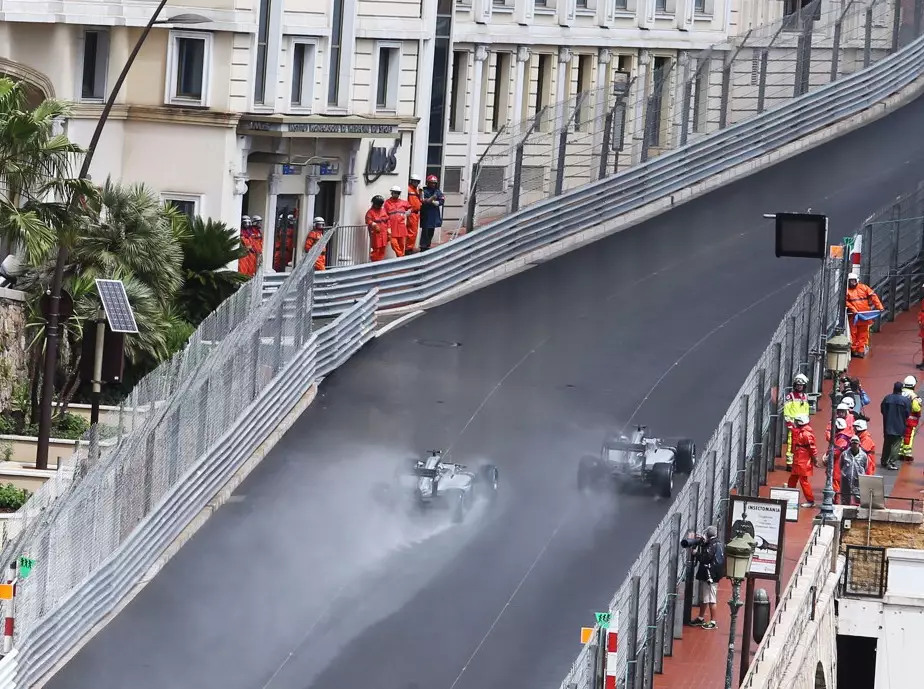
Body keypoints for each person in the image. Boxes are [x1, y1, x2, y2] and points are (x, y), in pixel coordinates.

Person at [690, 525, 724, 631]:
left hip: (710, 575)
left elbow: (705, 558)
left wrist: (696, 554)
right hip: (713, 574)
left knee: (711, 598)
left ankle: (713, 621)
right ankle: (700, 617)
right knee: (705, 597)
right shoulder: (718, 543)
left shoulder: (711, 545)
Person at [845, 273, 884, 358]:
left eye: (853, 281)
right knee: (853, 333)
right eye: (850, 281)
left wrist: (879, 307)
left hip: (864, 315)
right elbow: (846, 301)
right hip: (854, 315)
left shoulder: (863, 287)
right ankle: (854, 350)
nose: (852, 283)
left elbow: (873, 297)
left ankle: (860, 350)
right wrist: (853, 309)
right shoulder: (847, 291)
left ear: (857, 281)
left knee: (863, 334)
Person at [787, 415, 818, 507]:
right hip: (798, 458)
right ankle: (789, 496)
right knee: (792, 478)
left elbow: (812, 448)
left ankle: (810, 500)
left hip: (803, 460)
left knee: (803, 480)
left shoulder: (806, 434)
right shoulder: (799, 431)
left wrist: (815, 459)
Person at [881, 381, 912, 470]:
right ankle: (891, 462)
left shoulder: (887, 398)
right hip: (899, 426)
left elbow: (882, 410)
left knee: (887, 443)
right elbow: (907, 413)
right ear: (901, 390)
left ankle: (884, 460)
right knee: (896, 445)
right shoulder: (905, 400)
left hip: (888, 425)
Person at [783, 373, 811, 471]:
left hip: (803, 424)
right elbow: (786, 410)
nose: (799, 387)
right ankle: (789, 463)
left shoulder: (805, 396)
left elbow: (807, 410)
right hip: (794, 424)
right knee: (791, 443)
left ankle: (798, 461)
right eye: (798, 385)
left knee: (802, 444)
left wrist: (807, 422)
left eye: (801, 385)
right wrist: (789, 423)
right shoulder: (790, 396)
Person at [841, 436, 870, 506]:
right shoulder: (844, 454)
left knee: (858, 496)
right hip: (846, 479)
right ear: (850, 444)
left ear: (859, 444)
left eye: (856, 444)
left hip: (858, 479)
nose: (854, 445)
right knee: (845, 497)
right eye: (853, 444)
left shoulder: (863, 455)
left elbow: (865, 466)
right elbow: (841, 465)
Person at [418, 174, 445, 252]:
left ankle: (428, 245)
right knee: (425, 230)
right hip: (426, 213)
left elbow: (442, 199)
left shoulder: (437, 191)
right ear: (428, 183)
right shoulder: (424, 191)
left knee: (431, 230)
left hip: (434, 214)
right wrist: (432, 200)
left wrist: (438, 202)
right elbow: (423, 200)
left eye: (434, 183)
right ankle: (423, 246)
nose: (433, 184)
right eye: (431, 183)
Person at [384, 185, 410, 258]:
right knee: (394, 243)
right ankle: (401, 256)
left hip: (401, 227)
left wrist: (408, 212)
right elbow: (384, 215)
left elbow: (411, 207)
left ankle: (400, 259)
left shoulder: (403, 202)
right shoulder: (387, 203)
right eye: (395, 192)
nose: (396, 194)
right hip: (392, 227)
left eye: (398, 193)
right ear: (392, 193)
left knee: (401, 245)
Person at [900, 375, 922, 462]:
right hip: (910, 420)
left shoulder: (900, 393)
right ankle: (907, 453)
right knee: (909, 435)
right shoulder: (913, 396)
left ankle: (900, 452)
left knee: (901, 435)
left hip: (901, 418)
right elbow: (916, 408)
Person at [830, 417, 852, 501]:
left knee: (836, 480)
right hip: (840, 461)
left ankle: (836, 501)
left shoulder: (841, 438)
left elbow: (837, 451)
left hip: (838, 462)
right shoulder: (845, 434)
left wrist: (828, 456)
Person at [365, 195, 390, 262]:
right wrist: (374, 225)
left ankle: (380, 263)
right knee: (376, 249)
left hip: (384, 233)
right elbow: (368, 220)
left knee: (383, 248)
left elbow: (387, 220)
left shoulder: (383, 211)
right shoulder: (370, 212)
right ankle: (374, 263)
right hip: (375, 234)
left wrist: (389, 230)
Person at [406, 173, 422, 253]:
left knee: (414, 232)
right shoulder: (408, 189)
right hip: (411, 213)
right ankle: (408, 249)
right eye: (414, 181)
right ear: (411, 181)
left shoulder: (417, 190)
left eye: (417, 182)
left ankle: (410, 247)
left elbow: (421, 200)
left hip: (417, 213)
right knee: (411, 232)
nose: (416, 183)